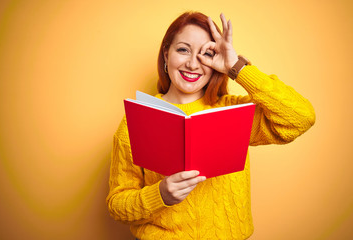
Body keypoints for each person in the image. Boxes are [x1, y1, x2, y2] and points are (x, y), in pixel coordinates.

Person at [106, 11, 315, 240]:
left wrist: (237, 66)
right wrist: (161, 195)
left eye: (206, 53)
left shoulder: (234, 113)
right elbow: (117, 204)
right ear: (166, 54)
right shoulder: (136, 120)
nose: (193, 64)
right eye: (183, 49)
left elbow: (301, 117)